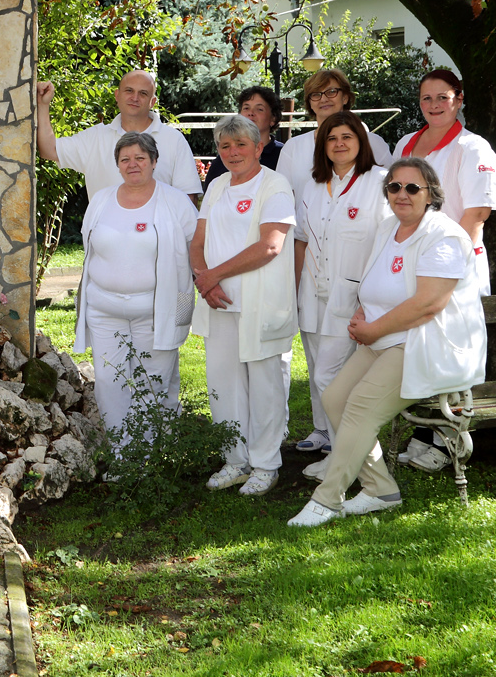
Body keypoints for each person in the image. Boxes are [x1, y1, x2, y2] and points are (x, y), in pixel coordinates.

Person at [288, 156, 488, 526]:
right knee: (334, 398)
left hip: (425, 344)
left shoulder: (444, 236)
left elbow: (429, 304)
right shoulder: (387, 229)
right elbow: (373, 283)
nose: (402, 194)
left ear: (431, 195)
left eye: (413, 188)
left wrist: (374, 330)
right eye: (394, 187)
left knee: (361, 406)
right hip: (384, 338)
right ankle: (380, 488)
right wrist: (363, 311)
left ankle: (327, 499)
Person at [393, 68, 496, 472]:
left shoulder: (473, 149)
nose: (435, 105)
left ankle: (446, 440)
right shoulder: (407, 143)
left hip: (453, 266)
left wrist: (447, 266)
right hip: (412, 263)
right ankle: (424, 432)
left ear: (459, 100)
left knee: (452, 355)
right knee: (420, 352)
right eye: (427, 99)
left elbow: (476, 213)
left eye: (443, 97)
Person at [191, 113, 298, 497]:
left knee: (266, 385)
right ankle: (235, 460)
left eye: (240, 145)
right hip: (219, 302)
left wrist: (212, 275)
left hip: (261, 304)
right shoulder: (218, 184)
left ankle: (266, 464)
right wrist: (204, 279)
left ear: (258, 147)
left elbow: (271, 245)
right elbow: (197, 241)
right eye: (224, 146)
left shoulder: (275, 185)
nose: (232, 152)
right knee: (223, 384)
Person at [73, 131, 197, 436]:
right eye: (125, 159)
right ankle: (120, 450)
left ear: (154, 161)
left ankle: (146, 453)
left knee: (152, 380)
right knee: (108, 380)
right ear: (117, 165)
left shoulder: (177, 202)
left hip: (157, 312)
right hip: (104, 310)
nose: (132, 164)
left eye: (140, 157)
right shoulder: (101, 200)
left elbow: (198, 247)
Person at [290, 111, 387, 455]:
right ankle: (326, 434)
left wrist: (373, 298)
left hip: (353, 295)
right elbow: (301, 239)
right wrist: (297, 288)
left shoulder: (379, 182)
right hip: (312, 291)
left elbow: (389, 243)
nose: (339, 144)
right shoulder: (313, 185)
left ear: (361, 142)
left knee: (329, 377)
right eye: (331, 138)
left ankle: (349, 452)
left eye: (347, 136)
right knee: (317, 367)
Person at [36, 71, 203, 204]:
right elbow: (48, 150)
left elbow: (188, 200)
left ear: (152, 102)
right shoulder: (95, 138)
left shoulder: (174, 140)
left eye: (143, 93)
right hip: (105, 242)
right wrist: (43, 105)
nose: (135, 98)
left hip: (159, 244)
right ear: (117, 95)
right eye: (129, 90)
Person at [276, 68, 394, 192]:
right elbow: (282, 195)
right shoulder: (293, 147)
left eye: (331, 92)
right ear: (310, 103)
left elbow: (391, 189)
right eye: (316, 94)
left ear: (345, 98)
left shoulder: (374, 143)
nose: (324, 99)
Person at [203, 86, 285, 186]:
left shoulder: (283, 154)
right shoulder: (226, 159)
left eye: (259, 109)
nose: (251, 113)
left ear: (273, 118)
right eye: (246, 108)